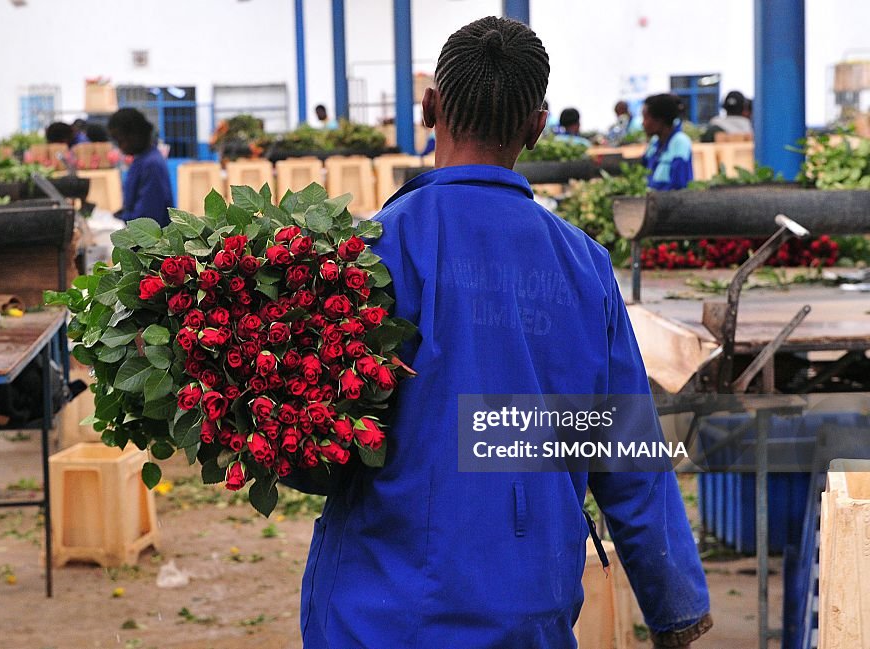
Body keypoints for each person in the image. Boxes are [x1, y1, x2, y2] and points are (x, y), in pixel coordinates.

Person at [295, 16, 711, 649]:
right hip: (528, 611)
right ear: (537, 125)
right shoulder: (585, 265)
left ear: (430, 106)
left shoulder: (369, 251)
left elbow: (311, 443)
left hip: (376, 611)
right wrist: (675, 606)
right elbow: (626, 452)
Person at [107, 108, 173, 226]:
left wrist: (122, 219)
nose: (120, 146)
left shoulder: (151, 165)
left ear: (135, 135)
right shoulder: (141, 160)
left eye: (121, 140)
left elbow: (148, 219)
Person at [642, 93, 694, 190]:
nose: (643, 123)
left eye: (646, 118)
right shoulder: (654, 143)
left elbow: (679, 185)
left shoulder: (680, 142)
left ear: (660, 120)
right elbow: (643, 171)